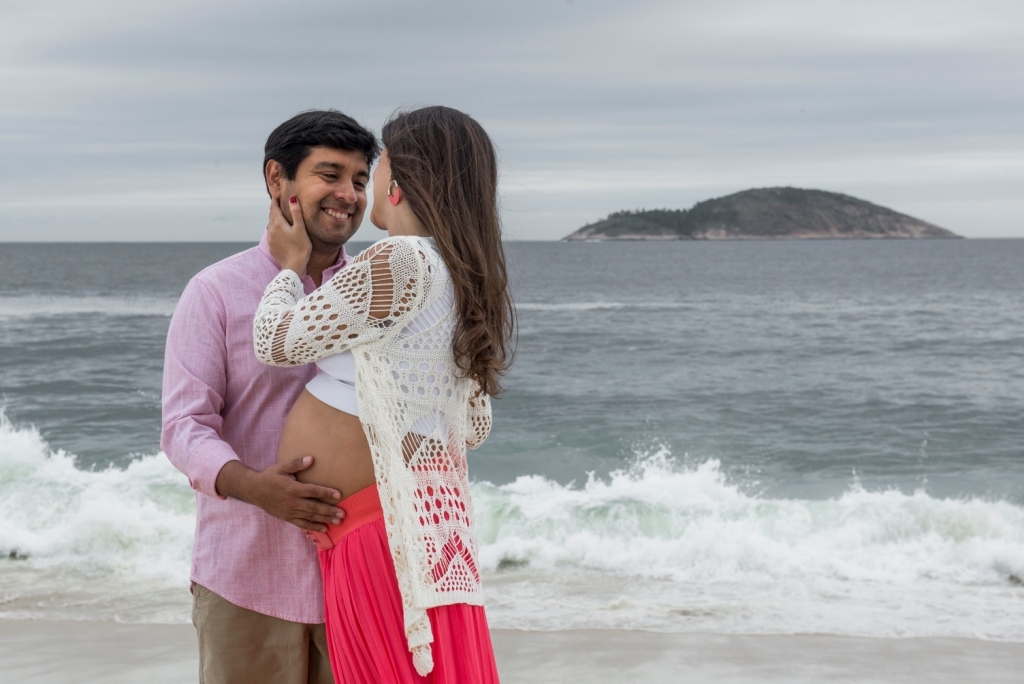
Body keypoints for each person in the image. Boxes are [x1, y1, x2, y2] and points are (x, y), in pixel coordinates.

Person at [252, 105, 514, 683]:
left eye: (381, 162)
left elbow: (275, 339)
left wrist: (289, 266)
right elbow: (471, 425)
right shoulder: (460, 270)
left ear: (402, 181)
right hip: (407, 527)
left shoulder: (402, 259)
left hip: (379, 534)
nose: (369, 178)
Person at [161, 109, 379, 684]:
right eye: (329, 174)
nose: (348, 194)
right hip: (246, 577)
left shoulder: (380, 293)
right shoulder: (214, 291)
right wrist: (253, 487)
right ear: (276, 180)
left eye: (360, 180)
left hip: (360, 577)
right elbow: (184, 426)